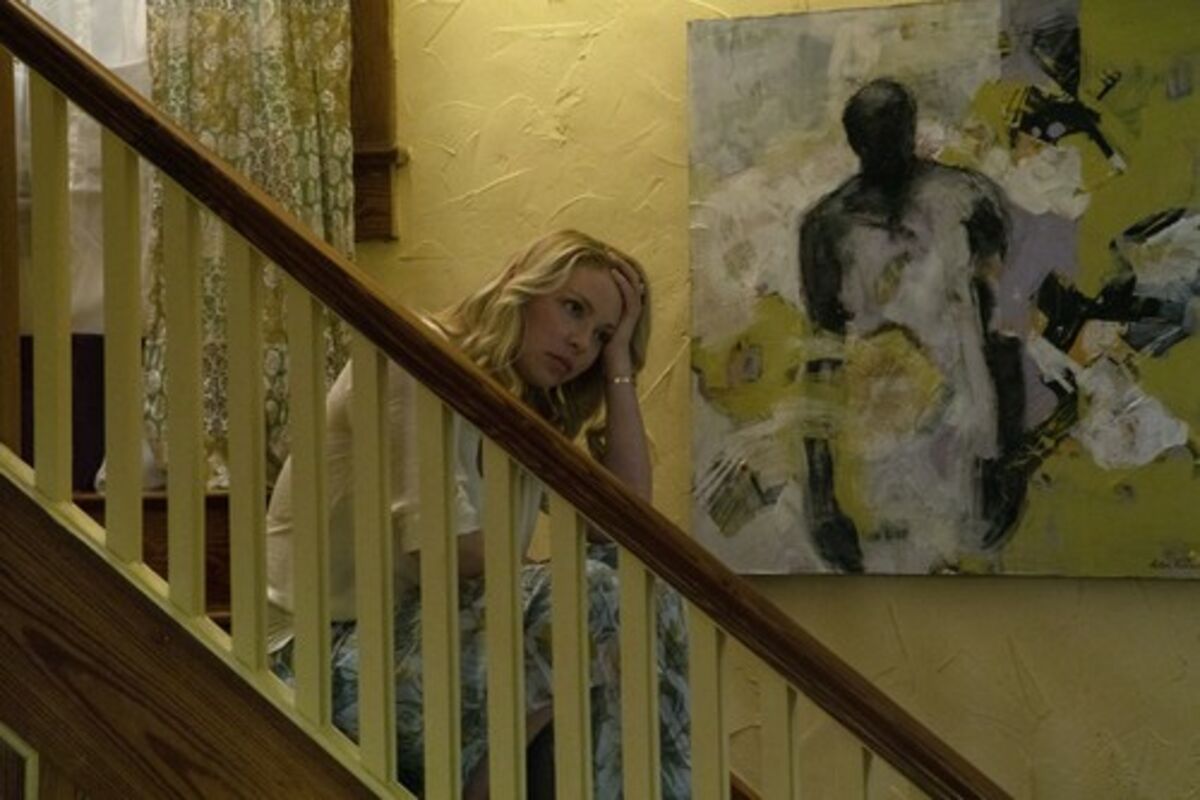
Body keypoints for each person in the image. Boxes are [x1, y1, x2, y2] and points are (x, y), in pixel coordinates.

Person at [264, 230, 691, 798]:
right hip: (316, 659)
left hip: (417, 643)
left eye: (601, 335)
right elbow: (444, 549)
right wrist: (552, 580)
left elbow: (628, 528)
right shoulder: (414, 355)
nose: (580, 342)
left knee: (645, 587)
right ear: (521, 285)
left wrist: (620, 366)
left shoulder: (522, 409)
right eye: (573, 309)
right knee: (590, 593)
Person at [798, 78, 1025, 573]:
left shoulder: (969, 199)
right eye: (875, 136)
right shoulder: (826, 227)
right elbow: (822, 356)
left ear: (911, 128)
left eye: (896, 130)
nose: (889, 146)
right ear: (856, 142)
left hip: (969, 424)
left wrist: (1011, 453)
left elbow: (1002, 330)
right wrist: (821, 493)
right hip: (880, 442)